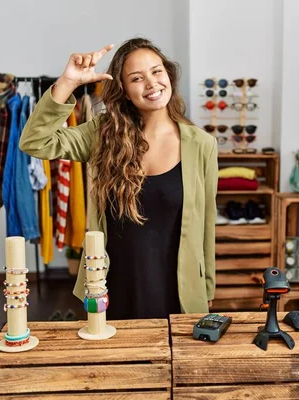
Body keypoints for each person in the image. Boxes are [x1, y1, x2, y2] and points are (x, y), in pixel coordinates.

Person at [20, 38, 217, 319]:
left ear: (168, 75)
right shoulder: (102, 135)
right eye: (137, 78)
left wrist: (207, 290)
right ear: (123, 91)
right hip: (112, 287)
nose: (151, 83)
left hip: (180, 291)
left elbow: (207, 222)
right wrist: (67, 82)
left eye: (157, 71)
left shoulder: (202, 144)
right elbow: (34, 142)